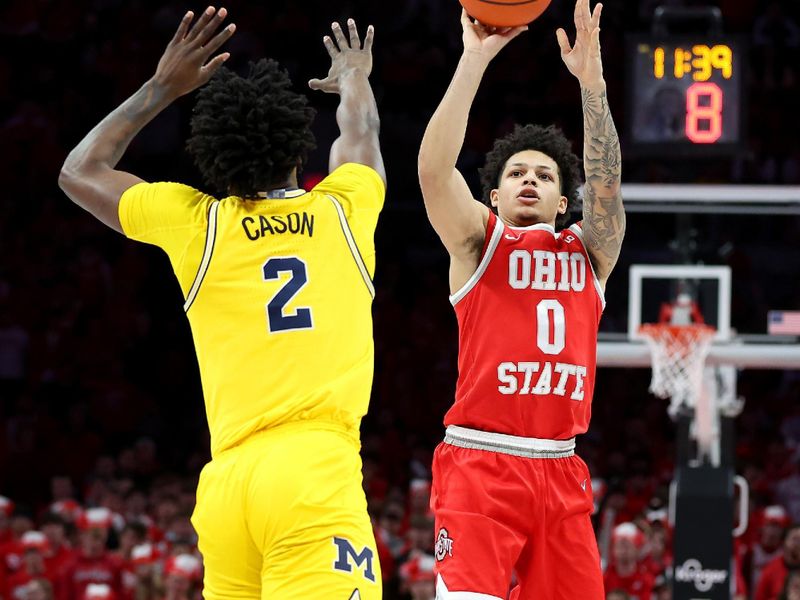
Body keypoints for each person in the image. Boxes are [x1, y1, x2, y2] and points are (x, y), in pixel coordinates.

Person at [58, 7, 386, 599]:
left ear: (215, 157)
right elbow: (360, 134)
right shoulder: (344, 208)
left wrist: (161, 87)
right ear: (297, 148)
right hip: (312, 472)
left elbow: (81, 171)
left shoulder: (199, 224)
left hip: (228, 484)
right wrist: (355, 78)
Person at [417, 0, 624, 597]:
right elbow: (434, 172)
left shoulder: (591, 253)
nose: (528, 179)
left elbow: (606, 182)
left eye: (544, 175)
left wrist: (593, 84)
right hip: (481, 462)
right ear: (496, 195)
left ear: (564, 201)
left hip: (562, 467)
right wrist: (473, 61)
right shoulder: (479, 241)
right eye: (514, 173)